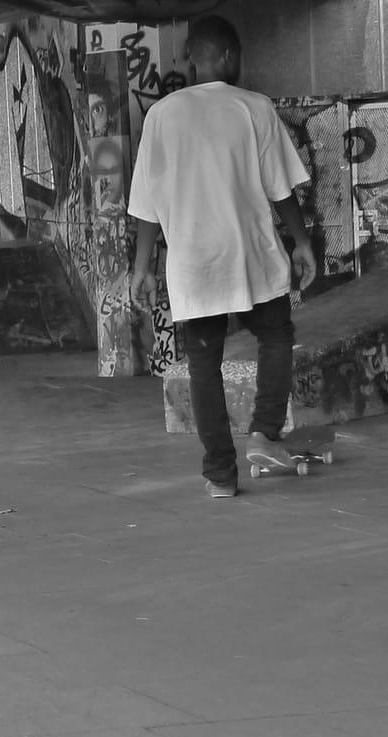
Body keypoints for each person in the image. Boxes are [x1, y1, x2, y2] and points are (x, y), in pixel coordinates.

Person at [128, 15, 317, 500]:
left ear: (193, 58)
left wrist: (142, 267)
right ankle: (264, 433)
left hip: (192, 264)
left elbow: (146, 205)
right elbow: (280, 189)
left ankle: (220, 477)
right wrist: (300, 242)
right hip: (249, 255)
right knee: (276, 335)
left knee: (203, 365)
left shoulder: (160, 116)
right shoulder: (253, 107)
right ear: (230, 56)